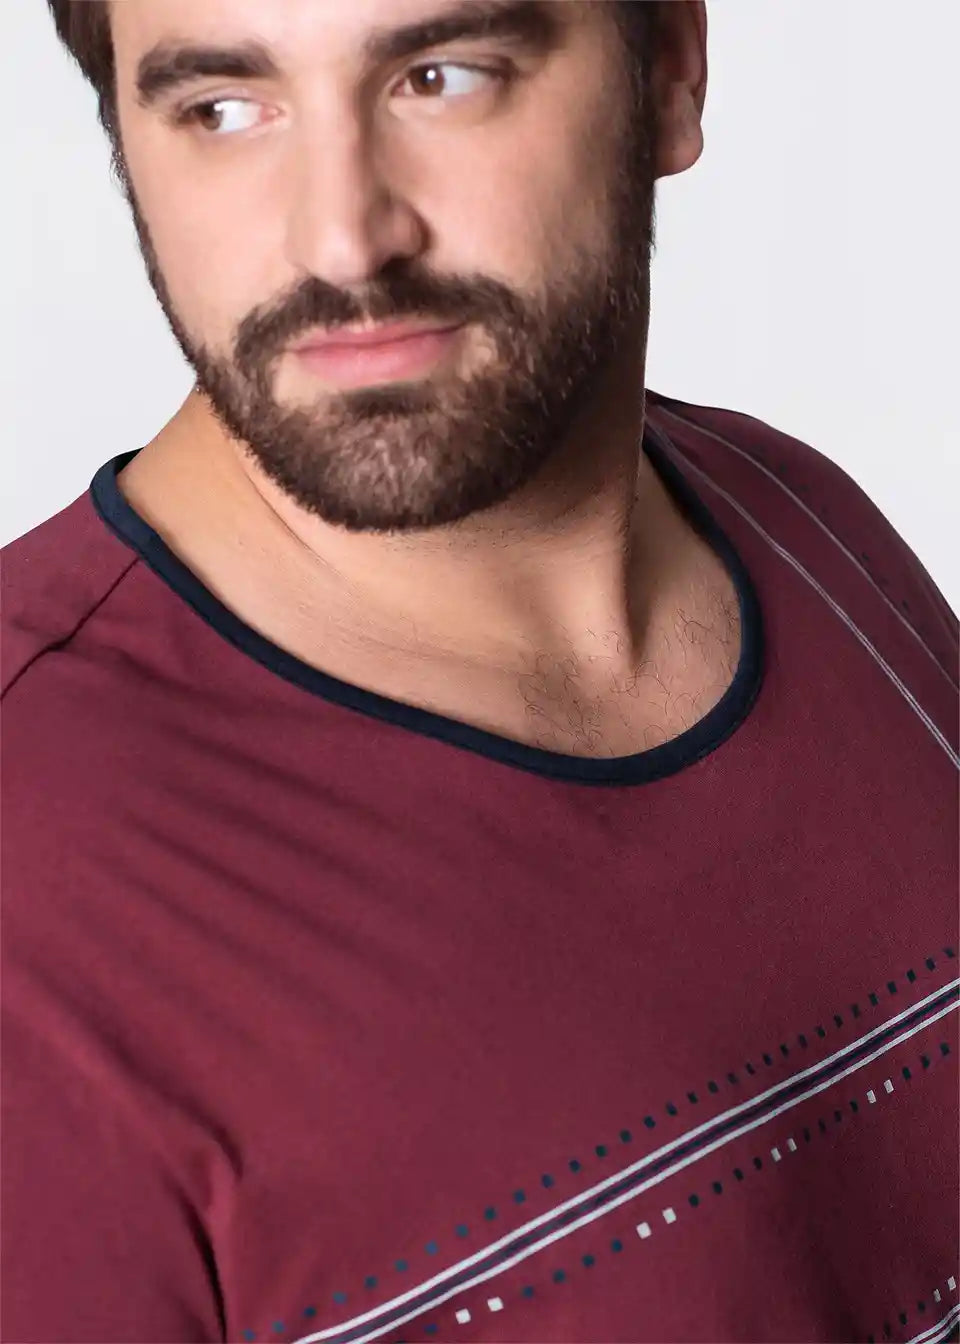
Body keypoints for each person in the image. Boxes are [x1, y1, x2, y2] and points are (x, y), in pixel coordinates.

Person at [2, 1, 957, 1340]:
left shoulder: (802, 517)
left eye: (442, 77)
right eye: (223, 109)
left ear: (670, 71)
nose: (343, 239)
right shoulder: (30, 892)